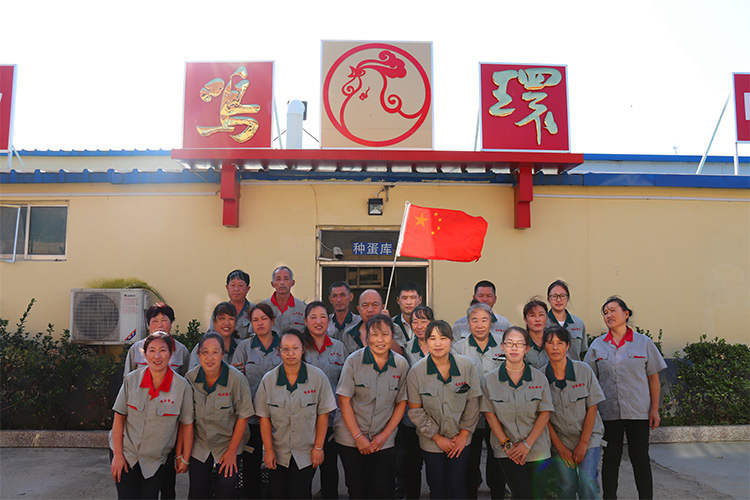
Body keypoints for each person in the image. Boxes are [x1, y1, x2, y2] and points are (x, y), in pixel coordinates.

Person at [584, 296, 667, 500]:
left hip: (638, 412)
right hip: (608, 413)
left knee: (640, 459)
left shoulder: (643, 343)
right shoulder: (597, 346)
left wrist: (654, 409)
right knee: (610, 459)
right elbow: (589, 380)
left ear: (626, 314)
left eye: (613, 310)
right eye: (605, 312)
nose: (608, 315)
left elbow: (653, 378)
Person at [110, 332, 194, 499]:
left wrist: (184, 458)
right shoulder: (131, 380)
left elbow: (187, 425)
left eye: (162, 350)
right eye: (152, 350)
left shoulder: (182, 387)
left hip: (155, 460)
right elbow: (119, 418)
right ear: (145, 354)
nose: (157, 356)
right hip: (126, 453)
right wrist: (118, 455)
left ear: (171, 353)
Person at [255, 329, 337, 499]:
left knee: (299, 493)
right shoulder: (268, 380)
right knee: (278, 494)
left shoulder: (317, 378)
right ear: (279, 351)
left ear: (303, 349)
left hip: (306, 452)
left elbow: (323, 415)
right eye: (285, 349)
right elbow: (264, 418)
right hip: (278, 452)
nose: (290, 353)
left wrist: (318, 448)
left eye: (295, 348)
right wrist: (268, 451)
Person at [334, 314, 409, 499]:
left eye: (385, 334)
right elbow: (344, 401)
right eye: (374, 334)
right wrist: (358, 437)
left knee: (382, 489)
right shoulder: (354, 361)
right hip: (351, 436)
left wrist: (384, 435)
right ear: (366, 337)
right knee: (357, 489)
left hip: (383, 437)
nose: (380, 340)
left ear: (392, 336)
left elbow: (401, 402)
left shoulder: (400, 364)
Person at [407, 320, 481, 499]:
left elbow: (473, 402)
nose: (438, 343)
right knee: (437, 486)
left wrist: (464, 434)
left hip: (460, 438)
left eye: (443, 338)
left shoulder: (466, 366)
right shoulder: (416, 372)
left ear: (451, 340)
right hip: (431, 441)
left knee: (457, 484)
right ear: (426, 342)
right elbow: (415, 410)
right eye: (432, 338)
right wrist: (437, 438)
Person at [482, 326, 554, 500]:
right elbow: (490, 415)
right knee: (523, 494)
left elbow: (544, 413)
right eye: (509, 343)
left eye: (519, 344)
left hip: (536, 447)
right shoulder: (490, 380)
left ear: (527, 348)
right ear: (502, 347)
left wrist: (527, 445)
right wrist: (508, 446)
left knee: (537, 495)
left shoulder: (539, 378)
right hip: (507, 449)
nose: (514, 348)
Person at [185, 332, 254, 499]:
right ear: (198, 354)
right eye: (205, 352)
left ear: (223, 354)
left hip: (228, 443)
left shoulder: (236, 379)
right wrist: (183, 456)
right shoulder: (190, 379)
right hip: (201, 443)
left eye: (215, 352)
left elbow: (243, 416)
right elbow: (186, 420)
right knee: (197, 491)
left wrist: (231, 452)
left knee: (226, 488)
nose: (210, 357)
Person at [542, 325, 604, 500]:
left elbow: (592, 407)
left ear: (568, 346)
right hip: (560, 440)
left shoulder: (584, 370)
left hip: (588, 437)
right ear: (544, 346)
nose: (555, 347)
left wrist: (583, 444)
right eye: (550, 343)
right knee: (566, 485)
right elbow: (543, 417)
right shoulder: (540, 377)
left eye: (560, 343)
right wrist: (560, 447)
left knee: (587, 481)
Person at [452, 303, 506, 499]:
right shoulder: (458, 348)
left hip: (498, 415)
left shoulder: (503, 345)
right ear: (468, 323)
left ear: (491, 322)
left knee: (497, 462)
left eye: (484, 320)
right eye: (474, 320)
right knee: (470, 463)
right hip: (469, 416)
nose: (480, 325)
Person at [231, 303, 282, 499]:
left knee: (277, 464)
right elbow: (237, 381)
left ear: (272, 321)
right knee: (251, 466)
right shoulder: (244, 347)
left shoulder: (284, 345)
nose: (259, 323)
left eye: (264, 319)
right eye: (255, 320)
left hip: (278, 418)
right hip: (251, 417)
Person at [303, 301, 348, 499]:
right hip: (305, 421)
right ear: (305, 321)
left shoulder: (338, 347)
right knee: (304, 472)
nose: (318, 321)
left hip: (332, 420)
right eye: (313, 317)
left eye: (322, 317)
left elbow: (346, 383)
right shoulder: (299, 347)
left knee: (330, 469)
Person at [398, 305, 434, 499]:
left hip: (437, 414)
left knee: (435, 464)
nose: (419, 326)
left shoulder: (441, 346)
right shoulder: (406, 349)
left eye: (424, 321)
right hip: (412, 416)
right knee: (412, 464)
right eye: (415, 321)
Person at [124, 302, 190, 377]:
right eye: (155, 321)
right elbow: (127, 378)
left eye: (164, 320)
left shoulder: (181, 350)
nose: (159, 325)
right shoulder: (136, 349)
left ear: (171, 323)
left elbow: (185, 379)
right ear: (148, 325)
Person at [341, 289, 403, 355]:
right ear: (359, 309)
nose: (370, 310)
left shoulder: (395, 328)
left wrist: (385, 327)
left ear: (383, 308)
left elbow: (399, 354)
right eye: (365, 305)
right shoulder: (348, 334)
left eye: (375, 305)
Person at [189, 302, 240, 370]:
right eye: (222, 318)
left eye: (231, 319)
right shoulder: (202, 348)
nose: (227, 323)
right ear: (214, 321)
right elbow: (194, 374)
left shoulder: (242, 347)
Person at [546, 280, 587, 360]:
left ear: (567, 298)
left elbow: (583, 350)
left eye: (562, 296)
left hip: (573, 367)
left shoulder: (578, 323)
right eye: (554, 296)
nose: (558, 300)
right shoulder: (542, 323)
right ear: (548, 299)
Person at [260, 266, 306, 333]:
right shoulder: (262, 308)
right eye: (278, 279)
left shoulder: (303, 308)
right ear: (272, 284)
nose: (282, 283)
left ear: (292, 283)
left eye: (286, 279)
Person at [212, 269, 255, 340]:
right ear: (227, 287)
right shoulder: (219, 311)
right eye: (233, 285)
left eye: (241, 285)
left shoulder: (254, 311)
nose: (236, 289)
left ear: (248, 289)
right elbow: (211, 334)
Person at [392, 281, 423, 350]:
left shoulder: (428, 325)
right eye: (404, 298)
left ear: (420, 300)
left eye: (413, 298)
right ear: (398, 300)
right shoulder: (391, 323)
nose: (409, 302)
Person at [523, 298, 551, 369]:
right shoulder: (521, 344)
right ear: (525, 320)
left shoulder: (554, 342)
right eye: (532, 315)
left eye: (541, 315)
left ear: (546, 317)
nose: (537, 319)